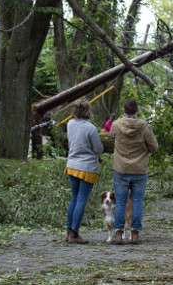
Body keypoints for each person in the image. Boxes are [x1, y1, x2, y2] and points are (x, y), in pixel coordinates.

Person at [111, 97, 158, 245]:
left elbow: (112, 139)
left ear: (124, 111)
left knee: (120, 202)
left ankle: (118, 234)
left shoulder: (116, 125)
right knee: (137, 201)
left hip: (121, 169)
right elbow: (154, 147)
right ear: (137, 110)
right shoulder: (145, 127)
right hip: (139, 170)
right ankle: (135, 234)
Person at [64, 99, 104, 244]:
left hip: (72, 165)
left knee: (74, 198)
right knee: (81, 199)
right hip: (87, 167)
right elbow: (99, 149)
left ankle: (68, 231)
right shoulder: (91, 128)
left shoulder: (70, 124)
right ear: (88, 111)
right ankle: (75, 233)